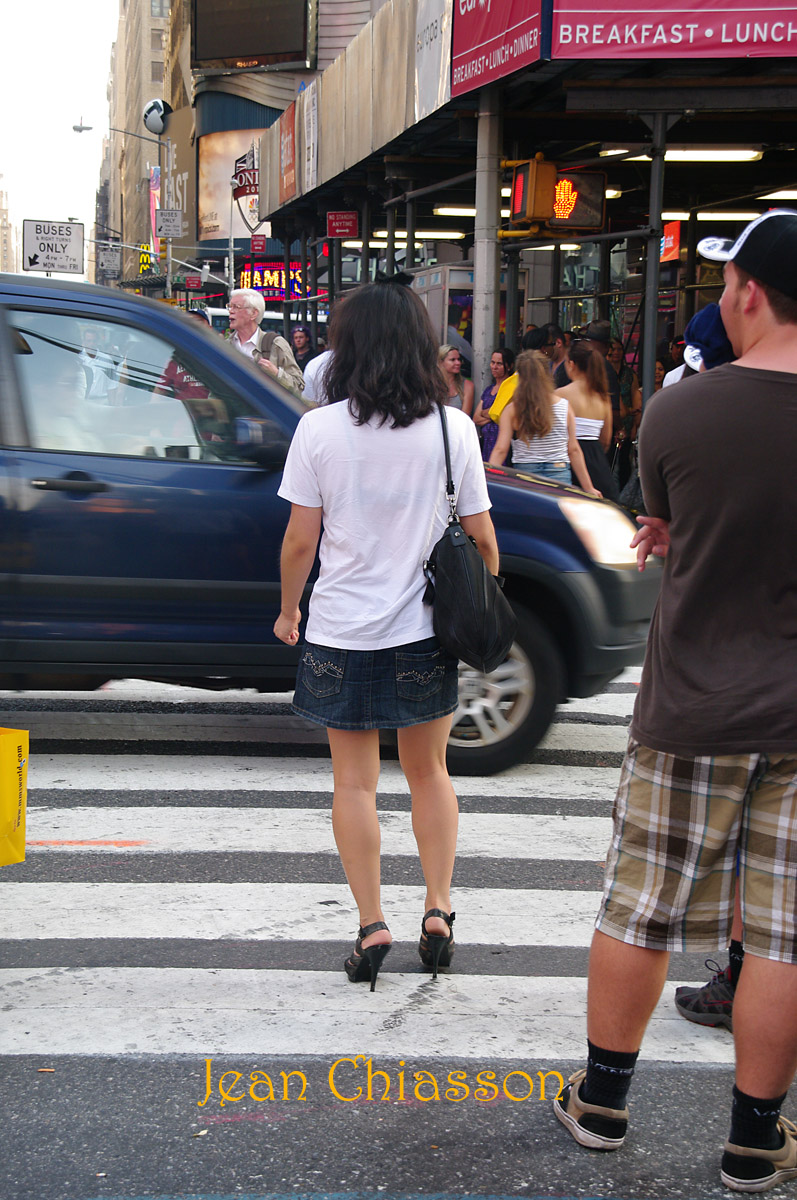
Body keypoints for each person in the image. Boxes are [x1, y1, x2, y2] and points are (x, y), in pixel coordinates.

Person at [552, 209, 797, 1193]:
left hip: (691, 702)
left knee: (638, 911)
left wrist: (671, 535)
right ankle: (752, 1139)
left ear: (745, 293)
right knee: (781, 935)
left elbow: (667, 516)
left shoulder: (678, 411)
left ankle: (602, 1103)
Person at [274, 280, 499, 992]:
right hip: (422, 634)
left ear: (349, 347)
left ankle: (372, 924)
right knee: (429, 772)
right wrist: (474, 603)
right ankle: (437, 909)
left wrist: (289, 611)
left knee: (353, 783)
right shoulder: (450, 428)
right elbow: (482, 538)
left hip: (340, 629)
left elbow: (298, 542)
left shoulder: (319, 429)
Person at [488, 350, 600, 496]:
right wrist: (589, 487)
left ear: (519, 376)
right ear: (546, 375)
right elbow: (573, 450)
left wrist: (487, 481)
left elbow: (500, 450)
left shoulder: (512, 410)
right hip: (559, 472)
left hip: (525, 473)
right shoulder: (564, 406)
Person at [556, 339, 619, 503]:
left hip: (566, 463)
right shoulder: (603, 397)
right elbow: (606, 440)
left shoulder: (559, 395)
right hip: (597, 462)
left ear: (571, 364)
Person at [228, 289, 305, 393]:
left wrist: (277, 374)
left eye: (236, 307)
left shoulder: (276, 344)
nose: (230, 311)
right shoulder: (224, 345)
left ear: (254, 314)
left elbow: (299, 385)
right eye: (229, 306)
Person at [473, 347, 515, 462]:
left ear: (509, 366)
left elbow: (506, 416)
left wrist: (485, 413)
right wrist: (495, 414)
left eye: (499, 364)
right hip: (486, 444)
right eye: (493, 362)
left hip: (504, 444)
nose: (494, 367)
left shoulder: (511, 390)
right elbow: (476, 418)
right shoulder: (488, 390)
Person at [438, 344, 474, 416]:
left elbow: (464, 417)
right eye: (453, 360)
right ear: (441, 362)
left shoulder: (467, 385)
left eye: (459, 359)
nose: (458, 363)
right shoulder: (432, 383)